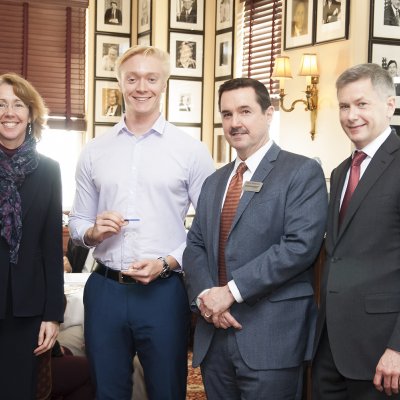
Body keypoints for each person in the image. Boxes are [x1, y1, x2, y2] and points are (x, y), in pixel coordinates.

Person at [68, 45, 215, 400]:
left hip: (163, 292)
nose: (141, 87)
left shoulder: (190, 150)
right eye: (132, 78)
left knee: (167, 390)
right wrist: (91, 231)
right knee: (107, 391)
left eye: (151, 78)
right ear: (120, 82)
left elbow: (207, 226)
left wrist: (168, 261)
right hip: (104, 290)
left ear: (164, 82)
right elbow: (77, 221)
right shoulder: (95, 150)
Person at [183, 77, 328, 399]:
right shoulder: (215, 181)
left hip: (271, 337)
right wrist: (208, 296)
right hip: (214, 332)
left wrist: (231, 293)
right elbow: (195, 244)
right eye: (227, 114)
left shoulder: (301, 172)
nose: (235, 123)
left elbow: (298, 246)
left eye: (245, 111)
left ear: (269, 113)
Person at [312, 63, 400, 399]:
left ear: (389, 105)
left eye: (362, 104)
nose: (351, 115)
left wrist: (398, 348)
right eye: (345, 106)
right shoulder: (340, 172)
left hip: (381, 351)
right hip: (330, 347)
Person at [0, 73, 64, 399]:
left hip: (27, 309)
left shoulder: (50, 170)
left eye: (18, 104)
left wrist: (53, 314)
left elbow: (52, 247)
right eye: (0, 104)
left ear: (30, 114)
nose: (8, 112)